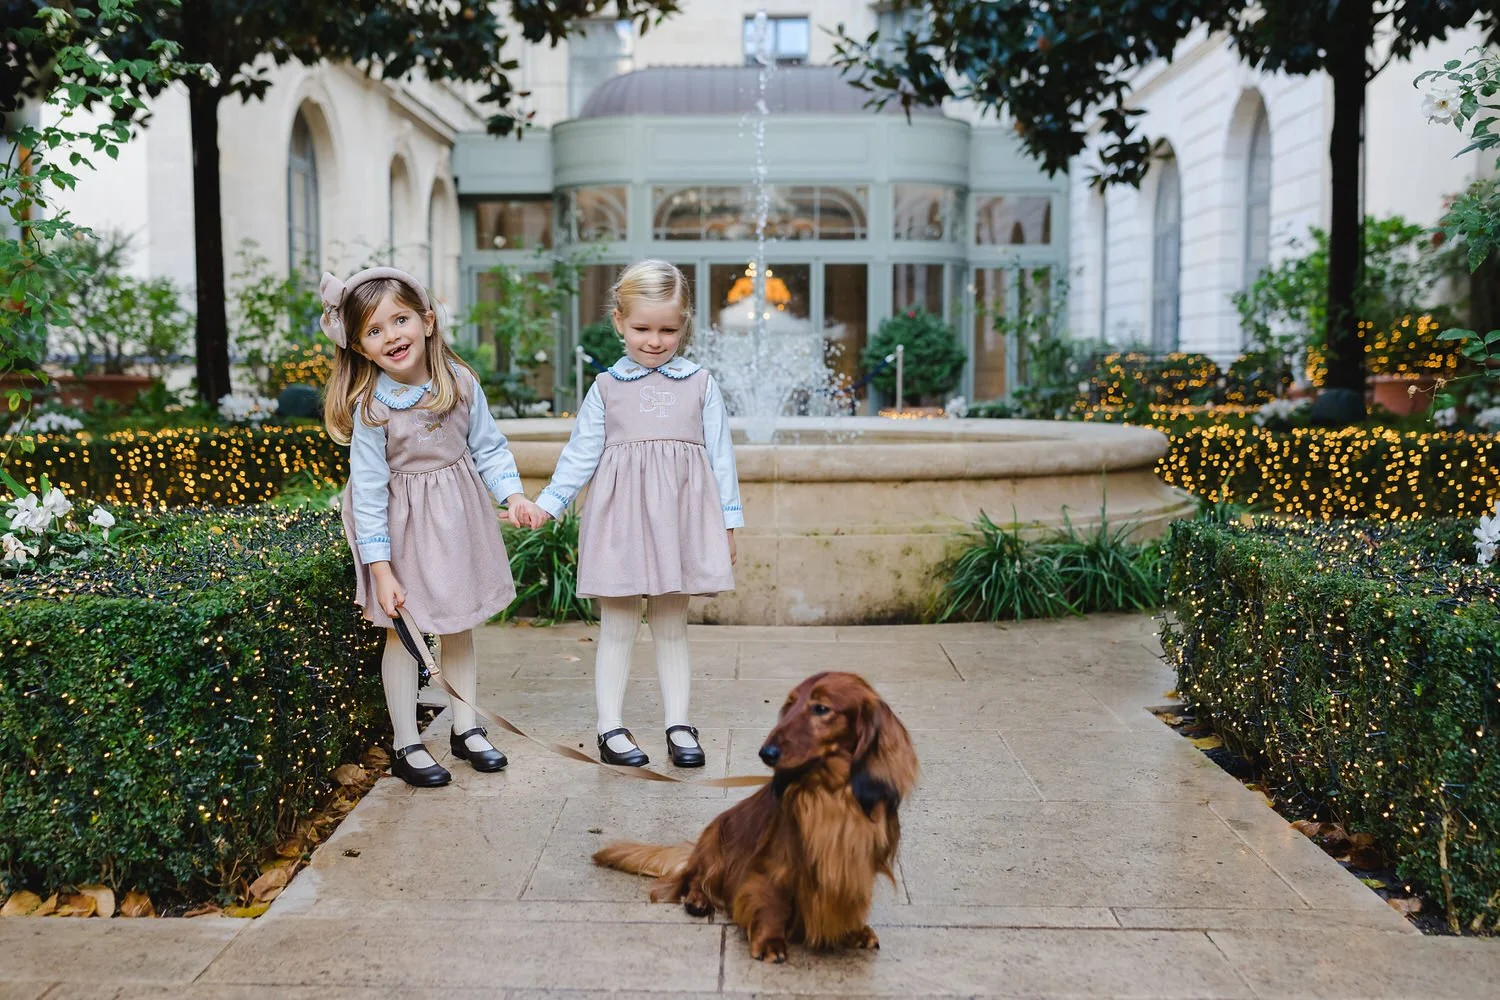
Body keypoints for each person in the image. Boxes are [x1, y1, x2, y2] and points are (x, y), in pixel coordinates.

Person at [321, 266, 545, 788]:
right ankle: (406, 742)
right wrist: (380, 568)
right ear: (358, 346)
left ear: (426, 320)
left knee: (457, 622)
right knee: (404, 634)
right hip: (402, 530)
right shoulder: (371, 408)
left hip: (457, 522)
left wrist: (512, 494)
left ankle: (465, 727)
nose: (392, 336)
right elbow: (371, 492)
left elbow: (488, 448)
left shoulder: (460, 383)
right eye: (374, 331)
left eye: (400, 320)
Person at [517, 260, 742, 768]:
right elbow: (580, 454)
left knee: (670, 624)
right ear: (619, 322)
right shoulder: (606, 387)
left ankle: (679, 723)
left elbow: (721, 457)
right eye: (642, 328)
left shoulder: (701, 384)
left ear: (684, 324)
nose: (655, 340)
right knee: (618, 625)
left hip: (679, 523)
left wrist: (727, 524)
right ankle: (610, 728)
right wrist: (548, 506)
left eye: (668, 329)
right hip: (619, 521)